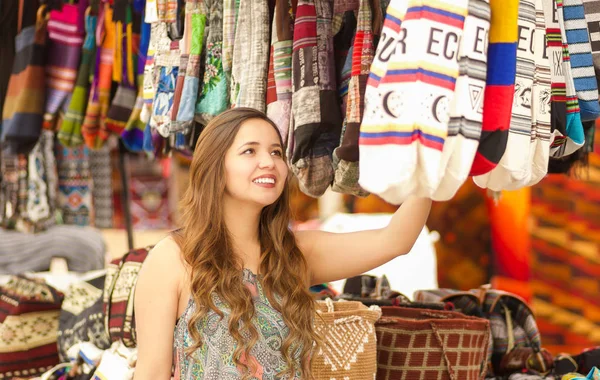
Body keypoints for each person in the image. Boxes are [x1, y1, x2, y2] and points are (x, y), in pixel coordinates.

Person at [133, 108, 432, 380]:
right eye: (249, 151)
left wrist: (432, 157)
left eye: (276, 152)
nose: (269, 162)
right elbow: (151, 373)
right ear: (215, 167)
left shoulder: (294, 254)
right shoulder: (174, 258)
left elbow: (396, 239)